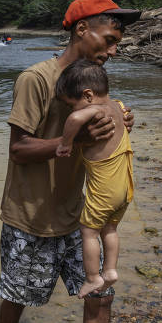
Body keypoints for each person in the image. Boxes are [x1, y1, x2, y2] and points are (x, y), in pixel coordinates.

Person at [0, 0, 154, 323]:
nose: (113, 49)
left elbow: (102, 130)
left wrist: (120, 120)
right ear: (82, 29)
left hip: (82, 213)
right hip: (29, 212)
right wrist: (75, 140)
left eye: (117, 42)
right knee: (17, 293)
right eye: (109, 38)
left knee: (101, 295)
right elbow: (18, 148)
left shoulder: (95, 81)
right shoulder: (37, 79)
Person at [55, 60, 134, 298]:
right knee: (109, 229)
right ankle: (110, 270)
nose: (72, 110)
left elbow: (74, 121)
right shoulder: (118, 106)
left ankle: (92, 278)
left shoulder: (94, 110)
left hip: (105, 191)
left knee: (88, 232)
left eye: (72, 104)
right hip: (125, 189)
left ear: (88, 95)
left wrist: (65, 143)